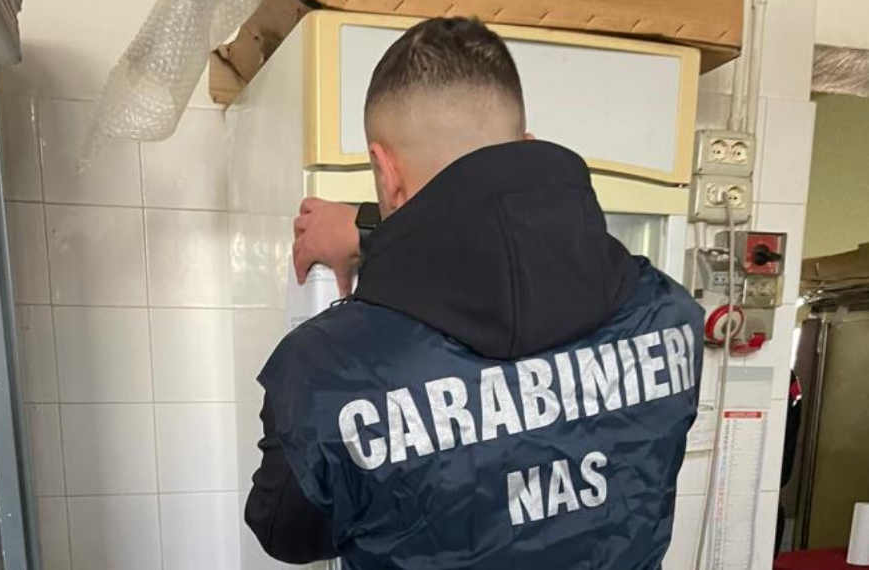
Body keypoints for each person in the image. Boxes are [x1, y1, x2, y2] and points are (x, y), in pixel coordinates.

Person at [245, 16, 704, 570]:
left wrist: (374, 231)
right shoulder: (670, 315)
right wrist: (371, 233)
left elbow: (285, 532)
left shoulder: (323, 369)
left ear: (386, 172)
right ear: (526, 147)